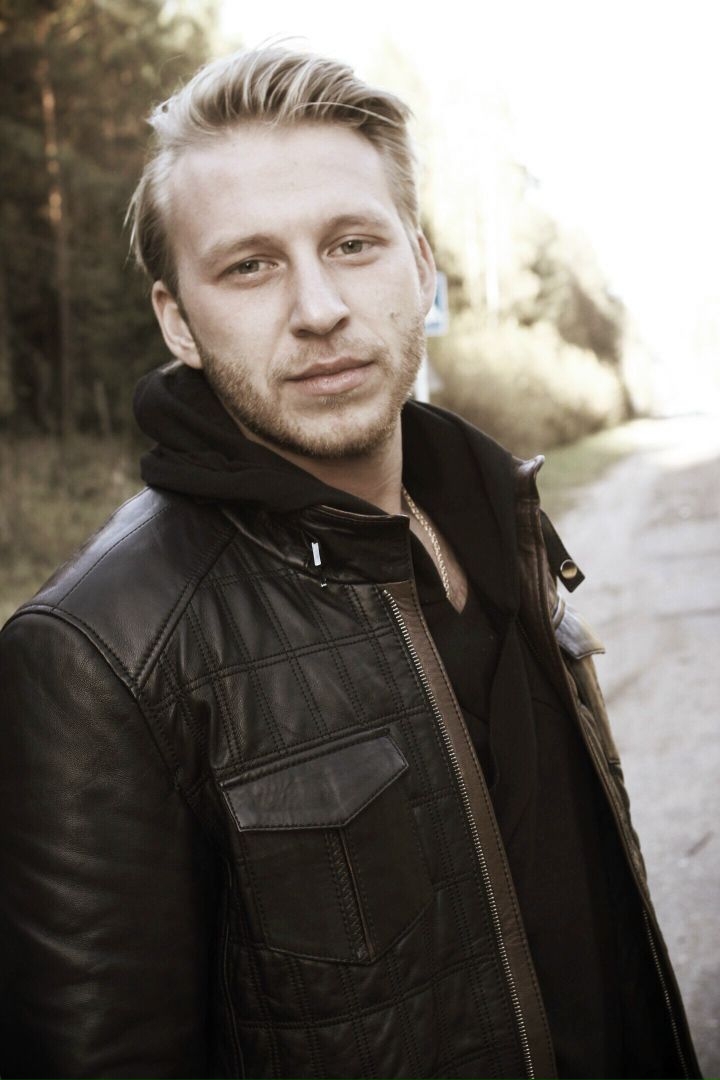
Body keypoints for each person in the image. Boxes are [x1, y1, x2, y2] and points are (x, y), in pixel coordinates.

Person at [0, 46, 701, 1080]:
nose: (319, 307)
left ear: (422, 266)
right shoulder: (100, 656)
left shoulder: (498, 516)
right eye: (250, 265)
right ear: (177, 321)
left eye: (353, 244)